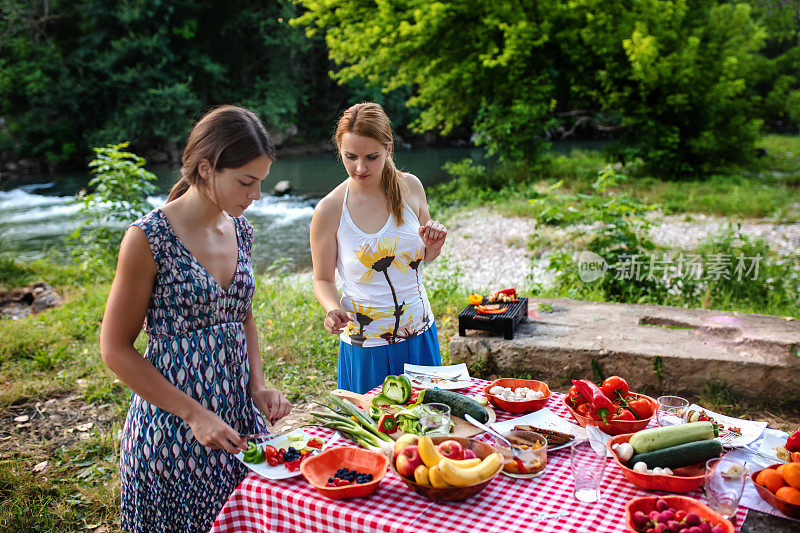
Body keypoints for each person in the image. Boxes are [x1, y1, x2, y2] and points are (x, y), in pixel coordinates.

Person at [100, 105, 292, 532]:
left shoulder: (240, 229)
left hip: (240, 425)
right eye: (246, 182)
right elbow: (114, 349)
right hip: (174, 434)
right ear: (205, 168)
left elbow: (240, 315)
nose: (256, 195)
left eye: (260, 182)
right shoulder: (147, 239)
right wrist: (194, 414)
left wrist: (257, 384)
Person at [310, 102, 448, 394]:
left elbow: (424, 257)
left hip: (420, 334)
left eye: (371, 157)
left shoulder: (411, 187)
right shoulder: (329, 209)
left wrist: (434, 246)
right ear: (339, 151)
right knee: (374, 438)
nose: (360, 168)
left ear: (388, 149)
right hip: (366, 346)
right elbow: (322, 279)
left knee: (426, 430)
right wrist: (332, 308)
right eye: (350, 157)